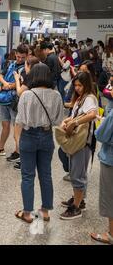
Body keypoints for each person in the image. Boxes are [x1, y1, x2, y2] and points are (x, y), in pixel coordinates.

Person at [14, 64, 64, 223]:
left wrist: (16, 140)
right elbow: (58, 120)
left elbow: (20, 120)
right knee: (46, 174)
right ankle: (45, 211)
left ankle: (27, 213)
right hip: (47, 135)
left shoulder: (26, 95)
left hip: (28, 136)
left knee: (28, 176)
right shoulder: (56, 95)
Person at [60, 72, 98, 220]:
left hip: (83, 142)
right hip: (78, 141)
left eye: (80, 85)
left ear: (86, 85)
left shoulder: (89, 98)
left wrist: (74, 123)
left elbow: (92, 114)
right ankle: (79, 200)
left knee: (77, 174)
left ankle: (76, 207)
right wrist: (67, 120)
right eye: (75, 85)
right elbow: (76, 114)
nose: (77, 88)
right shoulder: (80, 98)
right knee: (77, 172)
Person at [0, 47, 27, 161]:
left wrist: (8, 86)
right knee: (5, 124)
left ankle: (18, 151)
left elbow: (24, 82)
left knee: (17, 127)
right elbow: (0, 74)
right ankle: (0, 148)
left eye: (22, 57)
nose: (19, 59)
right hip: (4, 98)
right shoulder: (10, 64)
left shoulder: (26, 67)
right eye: (18, 56)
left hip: (16, 100)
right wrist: (6, 84)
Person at [90, 109, 113, 245]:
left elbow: (101, 135)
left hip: (110, 159)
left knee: (109, 196)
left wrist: (100, 122)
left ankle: (111, 233)